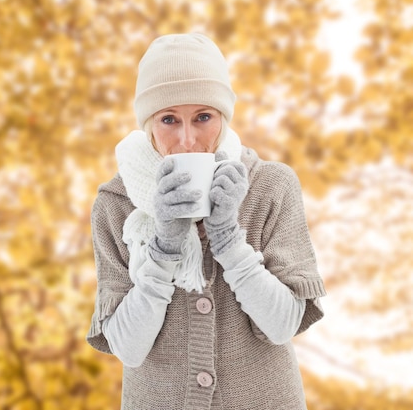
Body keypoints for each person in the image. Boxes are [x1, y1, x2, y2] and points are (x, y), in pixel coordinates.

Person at [86, 33, 326, 410]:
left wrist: (228, 239)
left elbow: (283, 326)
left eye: (203, 117)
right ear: (148, 123)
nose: (187, 140)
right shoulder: (115, 206)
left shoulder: (270, 186)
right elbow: (128, 350)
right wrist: (163, 247)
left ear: (224, 117)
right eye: (169, 119)